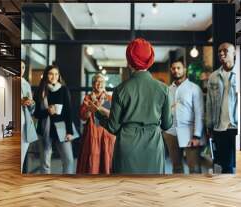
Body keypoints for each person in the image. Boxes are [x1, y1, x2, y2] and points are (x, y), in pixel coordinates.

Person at [89, 38, 172, 174]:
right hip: (153, 147)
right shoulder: (163, 89)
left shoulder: (120, 89)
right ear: (150, 59)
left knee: (126, 191)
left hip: (126, 148)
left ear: (129, 61)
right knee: (152, 190)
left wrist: (98, 112)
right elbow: (167, 124)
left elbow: (113, 127)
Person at [163, 58, 206, 174]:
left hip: (190, 133)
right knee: (176, 168)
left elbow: (199, 113)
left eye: (178, 68)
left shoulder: (194, 88)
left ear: (184, 70)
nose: (176, 71)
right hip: (171, 133)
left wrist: (197, 136)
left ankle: (196, 191)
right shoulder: (167, 90)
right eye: (173, 68)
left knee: (194, 168)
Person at [34, 65, 75, 174]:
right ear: (46, 75)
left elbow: (69, 112)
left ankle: (66, 183)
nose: (54, 76)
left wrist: (70, 131)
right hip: (44, 129)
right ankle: (46, 186)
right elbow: (36, 113)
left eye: (56, 74)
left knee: (69, 160)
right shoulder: (41, 90)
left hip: (61, 128)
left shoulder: (63, 89)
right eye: (51, 74)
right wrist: (47, 111)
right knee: (45, 162)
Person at [206, 42, 238, 174]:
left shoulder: (240, 73)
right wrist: (209, 125)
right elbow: (209, 102)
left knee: (237, 163)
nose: (221, 53)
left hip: (235, 126)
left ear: (234, 53)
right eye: (219, 51)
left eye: (225, 50)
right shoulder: (213, 76)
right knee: (225, 165)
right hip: (219, 127)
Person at [77, 74, 116, 174]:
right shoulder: (87, 98)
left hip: (106, 133)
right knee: (92, 160)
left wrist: (99, 108)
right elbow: (83, 117)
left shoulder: (109, 98)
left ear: (105, 84)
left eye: (102, 82)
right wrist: (89, 110)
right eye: (97, 82)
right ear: (93, 84)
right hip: (92, 133)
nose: (99, 84)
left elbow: (113, 116)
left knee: (107, 159)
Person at [21, 60, 38, 173]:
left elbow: (32, 110)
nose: (21, 69)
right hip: (14, 122)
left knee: (21, 157)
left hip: (25, 124)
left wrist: (32, 104)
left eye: (23, 67)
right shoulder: (10, 80)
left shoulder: (26, 84)